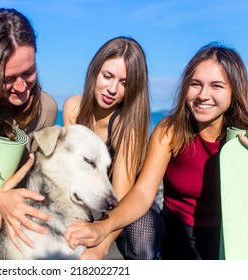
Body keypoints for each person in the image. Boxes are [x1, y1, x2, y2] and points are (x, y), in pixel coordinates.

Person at [66, 42, 248, 260]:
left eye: (216, 86)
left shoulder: (242, 138)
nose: (203, 95)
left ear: (234, 91)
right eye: (196, 84)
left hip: (230, 234)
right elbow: (143, 193)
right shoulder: (169, 131)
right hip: (179, 233)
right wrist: (104, 230)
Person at [0, 8, 58, 249]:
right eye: (8, 78)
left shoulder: (45, 109)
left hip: (3, 224)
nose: (21, 87)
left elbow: (21, 182)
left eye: (29, 72)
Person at [63, 36, 165, 260]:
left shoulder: (126, 125)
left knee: (143, 238)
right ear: (94, 72)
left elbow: (122, 194)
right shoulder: (73, 108)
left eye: (124, 83)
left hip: (128, 205)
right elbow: (71, 175)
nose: (112, 89)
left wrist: (100, 247)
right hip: (90, 203)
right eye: (107, 76)